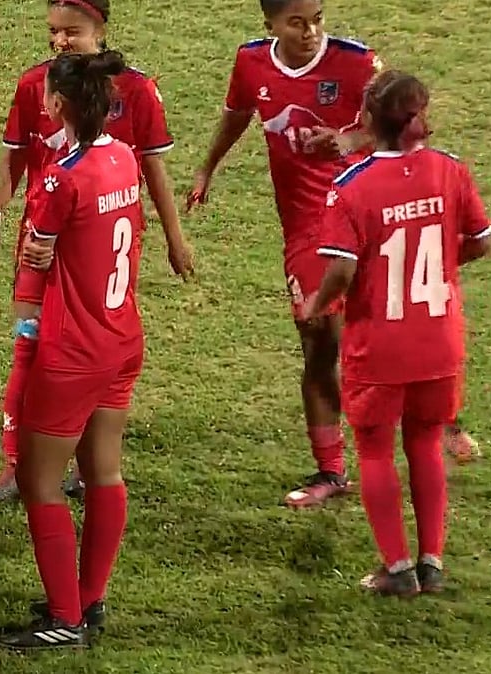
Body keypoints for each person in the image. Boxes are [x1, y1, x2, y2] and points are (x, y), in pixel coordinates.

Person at [0, 0, 193, 503]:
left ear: (100, 27)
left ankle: (78, 461)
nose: (58, 42)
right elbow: (14, 157)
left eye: (69, 31)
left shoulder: (136, 91)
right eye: (53, 32)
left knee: (84, 356)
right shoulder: (36, 84)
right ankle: (17, 465)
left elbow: (155, 172)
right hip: (40, 248)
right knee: (28, 350)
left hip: (96, 256)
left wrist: (175, 240)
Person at [302, 71, 491, 595]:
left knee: (375, 451)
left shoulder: (351, 188)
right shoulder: (451, 170)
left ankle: (398, 567)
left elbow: (339, 273)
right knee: (428, 444)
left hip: (380, 344)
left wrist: (317, 305)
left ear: (367, 121)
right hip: (439, 338)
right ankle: (432, 561)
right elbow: (480, 240)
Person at [188, 0, 380, 507]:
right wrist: (208, 169)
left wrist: (348, 137)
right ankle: (332, 470)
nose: (312, 31)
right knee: (319, 339)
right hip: (308, 229)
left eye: (317, 17)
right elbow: (235, 116)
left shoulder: (357, 62)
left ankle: (438, 421)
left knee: (388, 330)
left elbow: (409, 120)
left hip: (369, 216)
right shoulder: (251, 62)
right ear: (270, 25)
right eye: (298, 22)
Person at [0, 50, 145, 650]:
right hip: (121, 336)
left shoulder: (61, 174)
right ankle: (89, 598)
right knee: (105, 470)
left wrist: (37, 251)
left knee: (39, 480)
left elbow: (38, 249)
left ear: (55, 104)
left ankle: (64, 618)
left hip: (73, 348)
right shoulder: (124, 158)